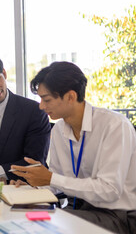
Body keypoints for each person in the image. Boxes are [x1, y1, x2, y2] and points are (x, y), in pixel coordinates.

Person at [11, 61, 136, 234]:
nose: (41, 106)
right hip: (77, 209)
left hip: (117, 215)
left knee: (43, 227)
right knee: (22, 220)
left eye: (46, 99)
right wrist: (33, 186)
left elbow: (109, 190)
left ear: (70, 96)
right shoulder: (59, 130)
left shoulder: (114, 125)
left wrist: (50, 179)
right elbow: (57, 183)